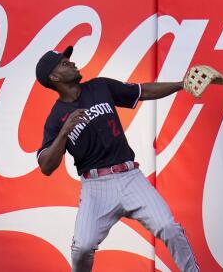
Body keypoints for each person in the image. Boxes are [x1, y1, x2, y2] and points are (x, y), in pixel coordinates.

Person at [36, 45, 201, 272]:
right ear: (54, 77)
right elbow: (45, 166)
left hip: (130, 177)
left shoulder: (100, 86)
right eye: (64, 63)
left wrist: (181, 84)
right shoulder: (55, 118)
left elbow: (143, 91)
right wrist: (64, 132)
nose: (72, 63)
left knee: (169, 228)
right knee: (82, 248)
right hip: (96, 187)